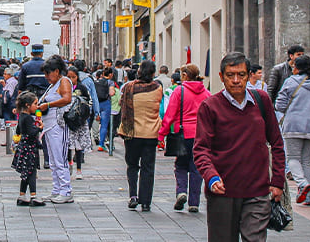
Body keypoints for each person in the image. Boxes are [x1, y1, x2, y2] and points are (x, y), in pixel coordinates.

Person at [193, 52, 286, 242]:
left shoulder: (261, 101)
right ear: (221, 77)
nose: (236, 80)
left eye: (241, 75)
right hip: (223, 191)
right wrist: (211, 176)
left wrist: (277, 180)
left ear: (248, 75)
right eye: (230, 75)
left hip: (257, 191)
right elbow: (201, 149)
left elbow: (276, 142)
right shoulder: (210, 107)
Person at [275, 55, 310, 206]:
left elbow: (279, 105)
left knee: (292, 158)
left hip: (294, 126)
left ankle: (302, 183)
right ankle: (307, 197)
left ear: (297, 68)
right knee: (307, 160)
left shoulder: (291, 82)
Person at [159, 63, 210, 213]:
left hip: (183, 134)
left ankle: (181, 191)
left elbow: (170, 115)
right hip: (201, 135)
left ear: (185, 76)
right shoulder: (206, 93)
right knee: (196, 167)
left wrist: (162, 134)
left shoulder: (179, 91)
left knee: (181, 165)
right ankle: (194, 202)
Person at [118, 60, 163, 211]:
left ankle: (133, 196)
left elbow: (120, 103)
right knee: (148, 168)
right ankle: (146, 201)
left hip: (132, 133)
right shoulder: (157, 88)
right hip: (151, 132)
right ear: (152, 73)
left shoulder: (129, 87)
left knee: (132, 165)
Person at [38, 55, 74, 202]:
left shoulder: (64, 81)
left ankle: (66, 190)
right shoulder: (52, 85)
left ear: (57, 71)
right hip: (49, 126)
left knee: (60, 158)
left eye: (48, 73)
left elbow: (67, 99)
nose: (46, 76)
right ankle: (56, 188)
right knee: (53, 160)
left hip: (59, 126)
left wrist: (48, 105)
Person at [11, 91, 47, 207]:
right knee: (31, 172)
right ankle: (33, 196)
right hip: (29, 148)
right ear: (27, 105)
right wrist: (39, 127)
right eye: (35, 104)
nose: (37, 106)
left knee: (25, 173)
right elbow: (32, 132)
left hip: (23, 146)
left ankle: (22, 196)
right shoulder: (28, 118)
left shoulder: (22, 116)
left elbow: (18, 131)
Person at [65, 66, 93, 180]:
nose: (71, 79)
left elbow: (88, 101)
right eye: (69, 77)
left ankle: (79, 169)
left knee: (79, 146)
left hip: (80, 120)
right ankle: (69, 165)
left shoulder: (82, 87)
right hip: (68, 120)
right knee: (68, 145)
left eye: (73, 77)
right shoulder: (64, 87)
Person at [93, 68, 114, 151]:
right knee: (104, 125)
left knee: (93, 122)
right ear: (110, 74)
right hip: (106, 104)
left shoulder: (96, 82)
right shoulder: (110, 82)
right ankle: (101, 144)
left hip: (96, 103)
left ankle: (88, 145)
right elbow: (111, 93)